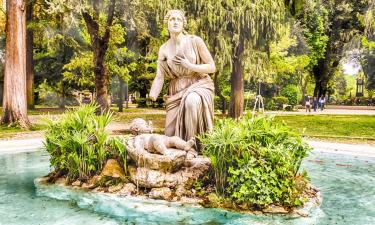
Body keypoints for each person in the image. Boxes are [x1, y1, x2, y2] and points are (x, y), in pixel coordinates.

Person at [149, 10, 216, 141]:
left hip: (197, 84)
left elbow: (212, 67)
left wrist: (190, 66)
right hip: (176, 89)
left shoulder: (195, 41)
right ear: (167, 24)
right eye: (172, 19)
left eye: (178, 20)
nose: (175, 22)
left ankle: (191, 147)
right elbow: (160, 75)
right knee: (169, 133)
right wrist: (153, 95)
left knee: (191, 101)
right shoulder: (164, 48)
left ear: (183, 24)